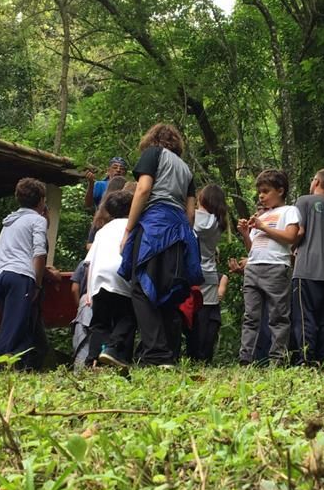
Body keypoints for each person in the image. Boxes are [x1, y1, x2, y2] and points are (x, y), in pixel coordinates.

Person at [118, 124, 201, 366]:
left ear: (152, 139)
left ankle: (156, 353)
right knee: (167, 290)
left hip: (155, 225)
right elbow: (191, 213)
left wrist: (128, 229)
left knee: (141, 287)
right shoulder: (186, 170)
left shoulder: (153, 153)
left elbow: (143, 189)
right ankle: (167, 354)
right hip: (179, 230)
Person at [0, 178, 54, 368]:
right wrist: (37, 285)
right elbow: (39, 253)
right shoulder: (37, 220)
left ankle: (22, 370)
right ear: (41, 200)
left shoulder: (10, 222)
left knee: (24, 329)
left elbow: (17, 251)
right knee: (13, 331)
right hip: (20, 277)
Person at [237, 169, 300, 365]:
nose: (261, 196)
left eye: (265, 191)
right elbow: (253, 249)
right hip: (253, 267)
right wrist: (246, 233)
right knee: (250, 316)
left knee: (278, 316)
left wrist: (263, 227)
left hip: (276, 266)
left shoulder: (289, 211)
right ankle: (246, 359)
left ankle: (277, 359)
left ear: (280, 191)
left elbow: (291, 237)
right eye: (259, 192)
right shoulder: (261, 216)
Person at [291, 168, 324, 365]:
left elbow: (299, 231)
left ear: (317, 182)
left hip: (307, 268)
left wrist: (288, 248)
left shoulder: (304, 201)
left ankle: (305, 360)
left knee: (304, 315)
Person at [88, 189, 137, 369]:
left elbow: (89, 262)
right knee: (129, 316)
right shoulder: (133, 227)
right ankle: (113, 347)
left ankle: (93, 360)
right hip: (121, 276)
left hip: (99, 279)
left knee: (100, 323)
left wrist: (89, 291)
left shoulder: (102, 231)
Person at [187, 183, 228, 362]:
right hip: (209, 275)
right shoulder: (218, 222)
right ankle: (202, 357)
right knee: (204, 318)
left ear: (202, 198)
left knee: (188, 315)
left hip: (190, 273)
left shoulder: (192, 217)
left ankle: (188, 354)